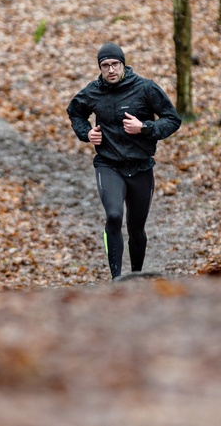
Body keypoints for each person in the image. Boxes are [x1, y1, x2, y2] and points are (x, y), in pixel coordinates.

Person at [67, 43, 182, 280]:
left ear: (123, 64)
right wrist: (86, 133)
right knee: (114, 216)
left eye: (114, 64)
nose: (110, 70)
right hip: (108, 164)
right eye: (105, 66)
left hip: (141, 166)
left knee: (136, 228)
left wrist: (145, 127)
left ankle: (136, 276)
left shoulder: (146, 88)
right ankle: (117, 278)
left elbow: (172, 119)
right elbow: (75, 112)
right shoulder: (93, 92)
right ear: (100, 68)